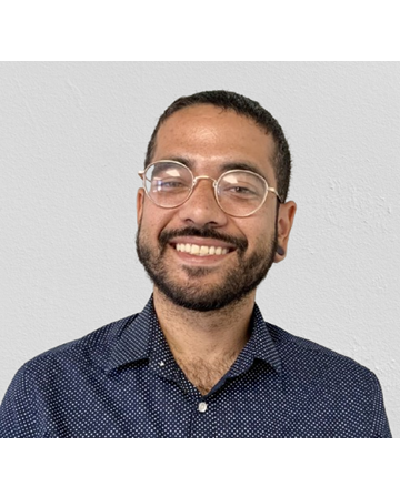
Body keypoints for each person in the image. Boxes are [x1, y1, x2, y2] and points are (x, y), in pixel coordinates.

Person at [0, 90, 391, 438]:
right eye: (172, 181)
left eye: (240, 187)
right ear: (141, 211)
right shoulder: (45, 394)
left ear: (282, 228)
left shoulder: (348, 401)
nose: (201, 211)